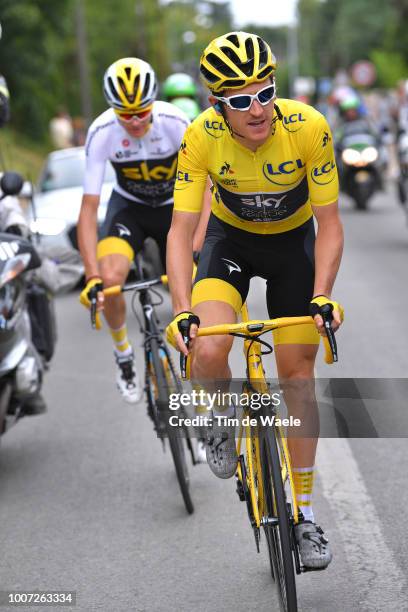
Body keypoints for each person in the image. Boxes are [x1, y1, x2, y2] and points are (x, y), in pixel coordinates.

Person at [166, 32, 344, 569]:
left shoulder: (308, 126)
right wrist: (182, 308)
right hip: (230, 244)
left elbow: (330, 225)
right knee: (211, 351)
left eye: (265, 91)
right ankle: (218, 417)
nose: (258, 108)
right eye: (241, 100)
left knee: (297, 378)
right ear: (218, 105)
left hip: (294, 248)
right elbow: (180, 231)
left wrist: (322, 295)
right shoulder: (200, 137)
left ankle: (305, 515)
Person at [77, 57, 206, 404]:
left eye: (141, 112)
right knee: (111, 278)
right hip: (129, 209)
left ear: (153, 103)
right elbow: (88, 211)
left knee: (191, 282)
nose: (134, 121)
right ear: (112, 110)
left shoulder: (176, 122)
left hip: (174, 209)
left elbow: (207, 189)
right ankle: (123, 355)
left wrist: (196, 247)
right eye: (125, 113)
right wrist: (91, 276)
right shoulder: (102, 132)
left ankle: (197, 366)